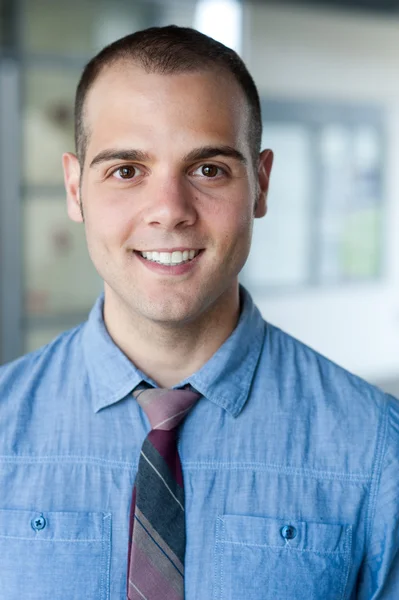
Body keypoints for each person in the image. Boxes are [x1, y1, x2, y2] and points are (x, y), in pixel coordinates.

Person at [0, 25, 398, 600]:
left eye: (208, 169)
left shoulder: (375, 449)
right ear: (74, 187)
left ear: (260, 185)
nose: (169, 211)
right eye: (126, 170)